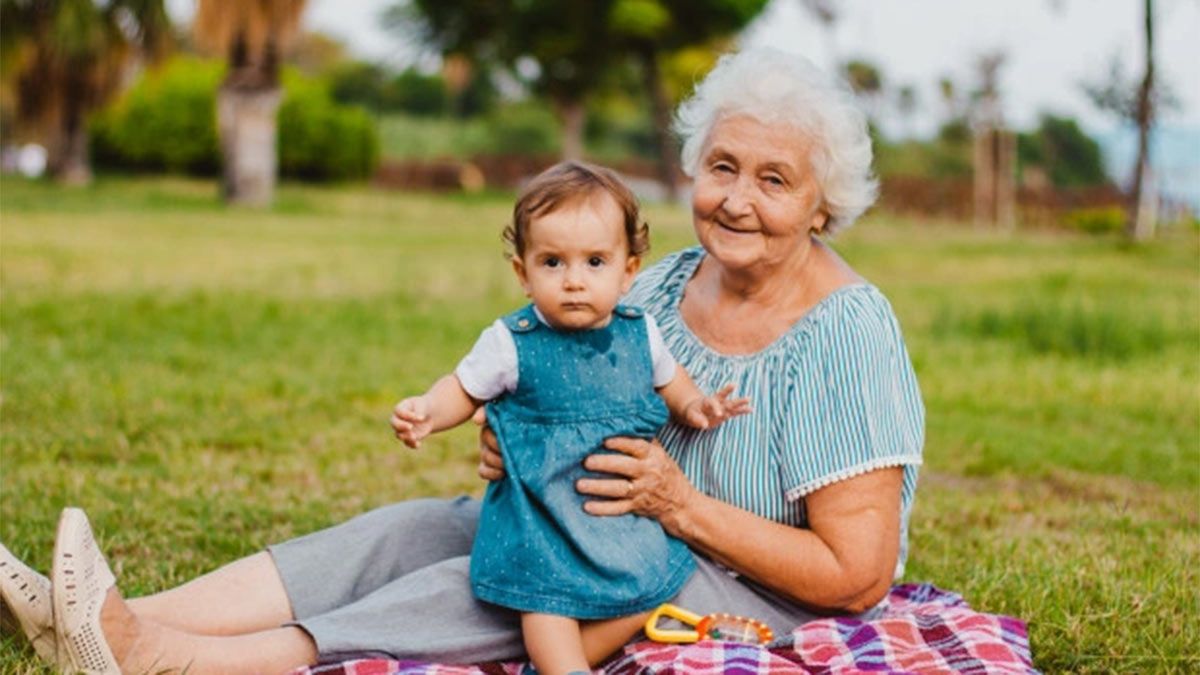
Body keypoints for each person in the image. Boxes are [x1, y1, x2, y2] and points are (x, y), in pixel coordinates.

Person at [0, 47, 923, 675]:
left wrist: (677, 503)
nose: (736, 200)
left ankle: (177, 659)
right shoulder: (661, 281)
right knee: (417, 529)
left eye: (773, 179)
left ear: (822, 206)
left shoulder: (844, 332)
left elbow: (854, 574)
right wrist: (512, 440)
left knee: (500, 577)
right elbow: (571, 384)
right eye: (722, 166)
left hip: (727, 575)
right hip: (608, 520)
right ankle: (118, 615)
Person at [390, 160, 749, 675]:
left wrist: (699, 407)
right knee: (547, 601)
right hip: (544, 513)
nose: (575, 282)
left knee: (652, 585)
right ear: (523, 272)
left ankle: (564, 662)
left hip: (616, 514)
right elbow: (463, 389)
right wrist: (428, 409)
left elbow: (673, 383)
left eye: (595, 263)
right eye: (553, 263)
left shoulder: (639, 332)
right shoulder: (512, 342)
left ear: (629, 271)